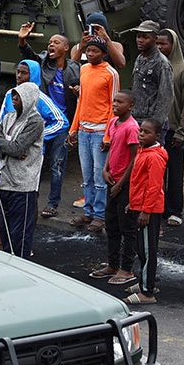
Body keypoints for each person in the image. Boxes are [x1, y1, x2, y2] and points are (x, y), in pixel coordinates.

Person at [18, 23, 78, 218]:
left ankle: (53, 203)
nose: (51, 45)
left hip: (62, 125)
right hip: (41, 122)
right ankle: (30, 199)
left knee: (57, 165)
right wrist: (22, 40)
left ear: (66, 48)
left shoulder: (74, 69)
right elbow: (30, 59)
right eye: (50, 42)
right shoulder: (43, 62)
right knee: (36, 162)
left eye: (56, 42)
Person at [68, 37, 120, 231]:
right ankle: (88, 212)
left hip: (99, 132)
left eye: (94, 51)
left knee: (100, 176)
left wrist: (108, 136)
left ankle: (100, 215)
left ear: (104, 54)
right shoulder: (84, 70)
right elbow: (81, 102)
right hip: (83, 131)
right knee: (87, 174)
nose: (90, 54)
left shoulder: (111, 73)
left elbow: (113, 108)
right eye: (88, 51)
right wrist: (74, 128)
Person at [0, 80, 45, 257]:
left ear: (28, 98)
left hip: (23, 185)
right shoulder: (9, 117)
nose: (14, 98)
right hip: (5, 180)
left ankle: (22, 267)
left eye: (19, 95)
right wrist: (9, 147)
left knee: (20, 234)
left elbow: (17, 148)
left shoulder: (35, 121)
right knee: (5, 230)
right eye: (14, 94)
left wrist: (7, 147)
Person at [94, 90, 139, 282]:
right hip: (112, 180)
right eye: (114, 101)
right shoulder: (113, 123)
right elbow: (112, 148)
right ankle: (112, 264)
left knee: (127, 227)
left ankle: (127, 268)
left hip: (124, 185)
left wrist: (121, 184)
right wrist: (105, 170)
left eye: (120, 102)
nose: (115, 105)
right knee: (111, 224)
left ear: (130, 106)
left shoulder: (132, 128)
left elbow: (134, 158)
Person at [124, 118, 169, 305]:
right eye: (141, 131)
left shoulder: (154, 156)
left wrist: (146, 211)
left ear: (157, 135)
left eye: (146, 132)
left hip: (147, 209)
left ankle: (148, 292)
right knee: (142, 250)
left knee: (148, 251)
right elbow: (138, 181)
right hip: (139, 205)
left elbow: (153, 186)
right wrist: (132, 203)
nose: (141, 135)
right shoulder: (144, 151)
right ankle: (144, 283)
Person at [156, 29, 184, 226]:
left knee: (175, 171)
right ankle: (160, 207)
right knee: (157, 172)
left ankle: (175, 211)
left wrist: (181, 130)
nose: (160, 47)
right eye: (158, 44)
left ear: (174, 45)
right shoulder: (158, 67)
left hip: (174, 130)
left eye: (164, 44)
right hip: (157, 130)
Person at [124, 20, 173, 127]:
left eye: (145, 37)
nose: (140, 40)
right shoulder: (140, 58)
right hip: (136, 118)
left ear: (155, 39)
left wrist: (155, 124)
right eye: (138, 36)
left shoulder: (162, 64)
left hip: (150, 123)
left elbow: (166, 97)